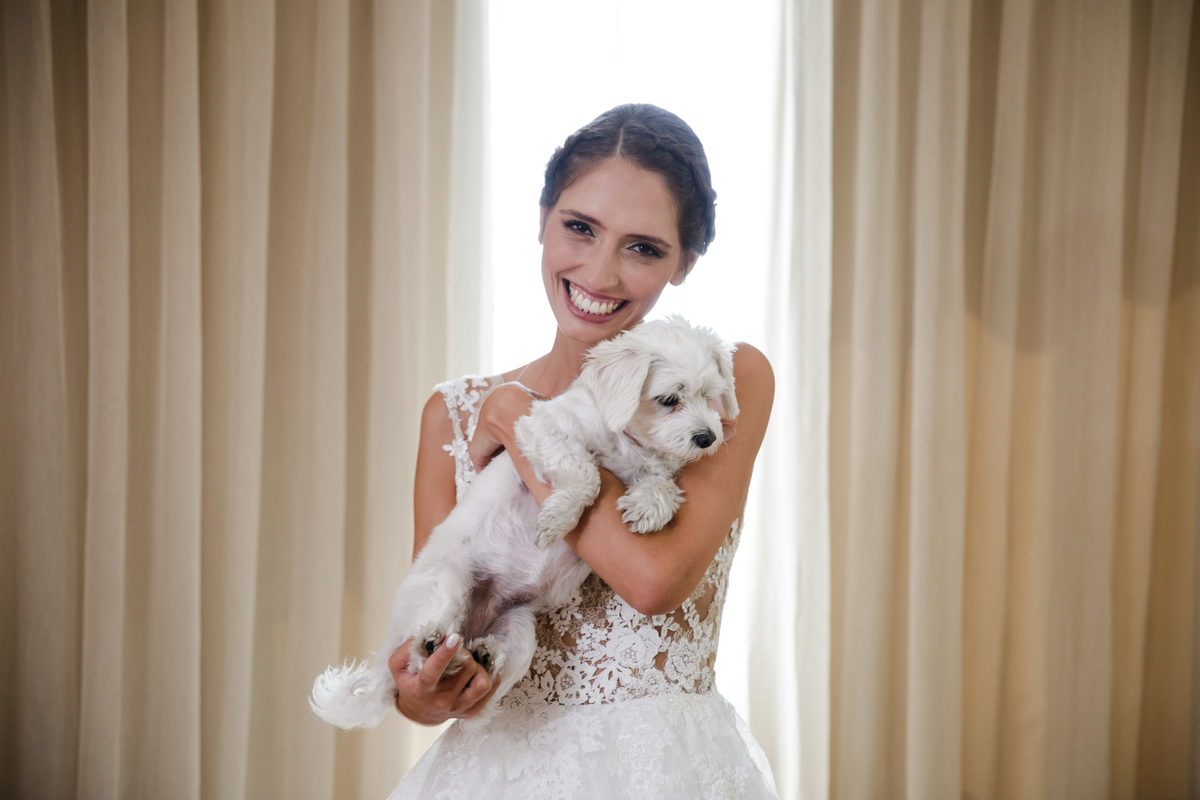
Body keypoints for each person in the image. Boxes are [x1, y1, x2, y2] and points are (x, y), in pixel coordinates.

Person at [386, 104, 778, 798]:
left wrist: (521, 431)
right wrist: (431, 688)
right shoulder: (453, 411)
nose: (600, 273)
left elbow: (652, 582)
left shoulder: (721, 380)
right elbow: (421, 668)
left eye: (644, 247)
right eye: (579, 228)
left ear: (684, 263)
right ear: (542, 219)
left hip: (664, 771)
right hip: (494, 774)